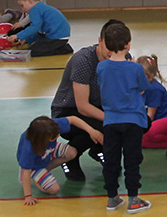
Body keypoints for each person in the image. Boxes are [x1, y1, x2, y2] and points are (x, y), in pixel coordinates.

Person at [49, 20, 119, 182]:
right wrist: (114, 118)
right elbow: (82, 106)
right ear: (100, 41)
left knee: (141, 121)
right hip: (68, 111)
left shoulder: (121, 58)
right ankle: (70, 156)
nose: (113, 52)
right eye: (109, 46)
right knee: (109, 125)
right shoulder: (84, 60)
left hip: (99, 106)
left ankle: (98, 149)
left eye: (118, 48)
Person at [98, 22, 152, 214]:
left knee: (111, 160)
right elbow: (144, 88)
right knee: (132, 160)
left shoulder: (101, 67)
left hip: (111, 121)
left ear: (106, 45)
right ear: (128, 44)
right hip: (133, 121)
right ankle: (134, 199)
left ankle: (112, 197)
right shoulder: (135, 69)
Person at [17, 115, 103, 206]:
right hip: (34, 165)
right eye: (54, 137)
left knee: (72, 152)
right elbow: (26, 172)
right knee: (54, 189)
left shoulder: (51, 127)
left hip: (49, 149)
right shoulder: (28, 148)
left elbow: (73, 119)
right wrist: (28, 196)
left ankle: (43, 171)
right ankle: (35, 175)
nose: (58, 135)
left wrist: (91, 131)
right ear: (45, 138)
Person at [8, 0, 73, 57]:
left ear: (29, 0)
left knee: (33, 51)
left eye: (22, 5)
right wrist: (27, 39)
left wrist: (18, 36)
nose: (22, 9)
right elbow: (39, 32)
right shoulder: (40, 7)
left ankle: (63, 49)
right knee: (34, 47)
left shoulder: (34, 10)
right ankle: (59, 46)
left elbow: (35, 27)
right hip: (59, 35)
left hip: (57, 37)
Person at [138, 55, 167, 148]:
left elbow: (150, 117)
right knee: (137, 140)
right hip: (158, 122)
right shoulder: (140, 87)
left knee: (148, 132)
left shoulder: (154, 89)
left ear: (151, 76)